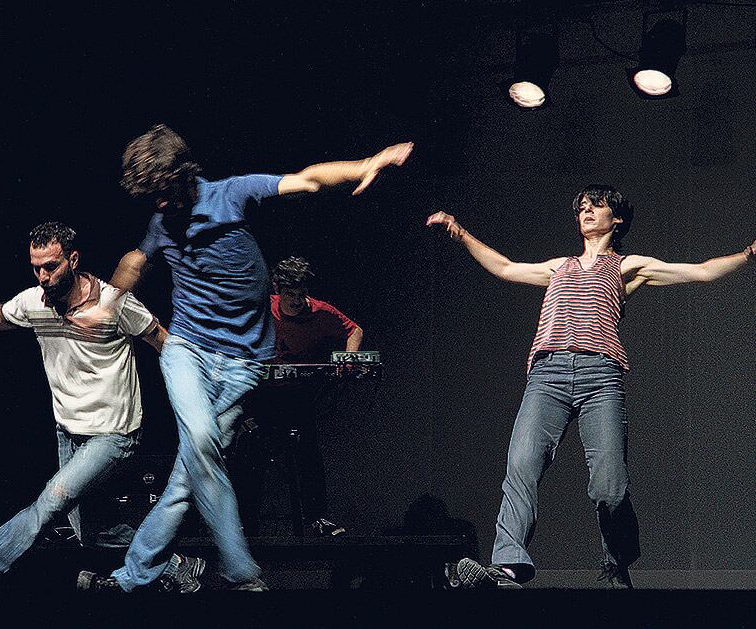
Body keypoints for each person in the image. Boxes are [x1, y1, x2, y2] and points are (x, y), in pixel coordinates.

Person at [77, 124, 412, 592]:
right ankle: (243, 573)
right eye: (150, 198)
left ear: (183, 176)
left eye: (162, 194)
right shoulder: (162, 221)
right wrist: (108, 303)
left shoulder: (230, 194)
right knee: (201, 443)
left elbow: (307, 179)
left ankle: (130, 577)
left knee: (187, 477)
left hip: (242, 365)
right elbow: (137, 260)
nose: (158, 206)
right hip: (187, 352)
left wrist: (364, 164)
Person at [427, 186, 755, 589]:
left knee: (609, 484)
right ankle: (510, 564)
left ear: (616, 219)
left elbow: (701, 270)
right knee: (522, 465)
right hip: (546, 375)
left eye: (595, 205)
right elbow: (505, 267)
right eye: (581, 207)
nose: (585, 211)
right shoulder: (558, 267)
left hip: (600, 375)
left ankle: (616, 563)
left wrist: (748, 255)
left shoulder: (627, 266)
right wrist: (460, 233)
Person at [0, 222, 205, 593]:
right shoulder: (33, 303)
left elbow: (164, 344)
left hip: (113, 433)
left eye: (51, 267)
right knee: (95, 531)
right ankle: (177, 565)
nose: (43, 276)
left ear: (72, 259)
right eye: (36, 267)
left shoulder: (113, 302)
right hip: (68, 432)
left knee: (48, 503)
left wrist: (198, 393)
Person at [234, 256, 362, 537]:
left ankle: (316, 518)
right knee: (252, 449)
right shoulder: (261, 309)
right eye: (289, 294)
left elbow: (354, 329)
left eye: (301, 295)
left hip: (298, 395)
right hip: (262, 394)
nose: (295, 301)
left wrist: (349, 358)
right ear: (278, 289)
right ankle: (247, 522)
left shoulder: (320, 312)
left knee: (307, 448)